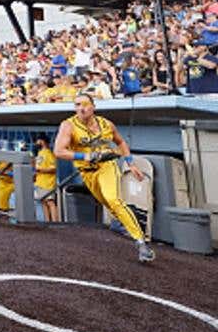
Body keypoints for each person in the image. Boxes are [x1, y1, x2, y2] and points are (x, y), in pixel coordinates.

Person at [53, 93, 154, 262]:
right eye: (77, 105)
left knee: (114, 199)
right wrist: (86, 157)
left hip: (107, 166)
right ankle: (120, 221)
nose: (81, 108)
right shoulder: (68, 125)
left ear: (93, 107)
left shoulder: (106, 124)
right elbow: (59, 151)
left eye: (84, 104)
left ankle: (141, 242)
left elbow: (121, 142)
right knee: (108, 203)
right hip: (87, 171)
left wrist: (131, 163)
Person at [33, 137, 59, 223]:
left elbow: (54, 168)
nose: (36, 143)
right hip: (40, 182)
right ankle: (47, 222)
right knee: (43, 202)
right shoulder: (40, 153)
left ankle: (55, 222)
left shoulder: (49, 154)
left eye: (37, 140)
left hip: (48, 183)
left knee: (50, 202)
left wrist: (41, 170)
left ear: (42, 141)